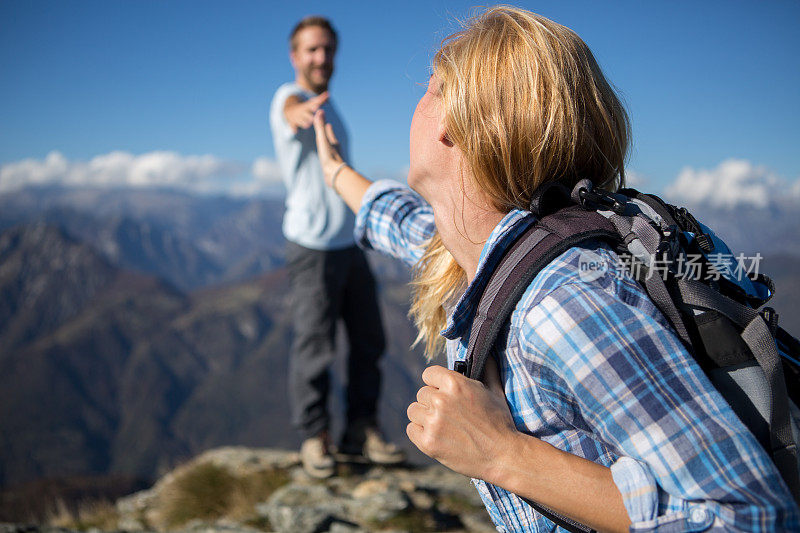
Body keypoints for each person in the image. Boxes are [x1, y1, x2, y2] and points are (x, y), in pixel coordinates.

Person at [311, 6, 800, 531]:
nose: (414, 105)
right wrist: (336, 173)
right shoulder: (496, 257)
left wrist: (501, 453)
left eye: (429, 89)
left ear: (453, 121)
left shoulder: (561, 299)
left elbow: (750, 518)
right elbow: (409, 228)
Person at [269, 15, 404, 479]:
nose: (321, 57)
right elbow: (289, 109)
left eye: (327, 49)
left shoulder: (333, 107)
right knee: (315, 344)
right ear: (295, 56)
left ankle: (359, 430)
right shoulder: (290, 99)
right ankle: (315, 435)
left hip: (349, 241)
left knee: (369, 339)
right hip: (311, 246)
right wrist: (298, 112)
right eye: (311, 50)